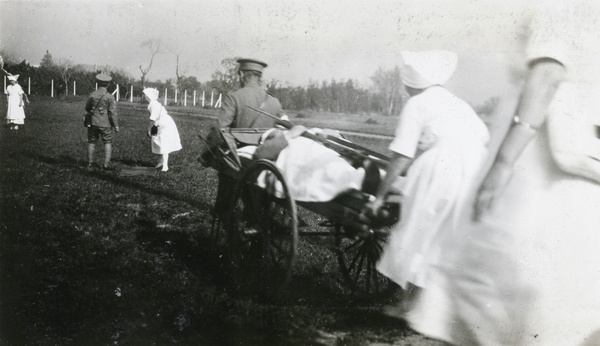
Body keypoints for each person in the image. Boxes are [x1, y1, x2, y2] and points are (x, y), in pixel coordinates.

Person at [402, 3, 600, 345]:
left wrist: (503, 164)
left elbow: (547, 77)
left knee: (510, 277)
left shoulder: (556, 10)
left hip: (535, 162)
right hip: (561, 153)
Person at [362, 50, 489, 318]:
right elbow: (482, 137)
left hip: (444, 166)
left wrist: (379, 196)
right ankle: (437, 308)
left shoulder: (416, 104)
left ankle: (407, 306)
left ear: (411, 83)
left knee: (420, 230)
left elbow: (402, 155)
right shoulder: (459, 104)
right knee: (447, 235)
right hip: (476, 166)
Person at [210, 58, 287, 219]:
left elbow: (220, 129)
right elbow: (285, 125)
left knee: (226, 170)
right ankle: (256, 213)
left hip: (239, 158)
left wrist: (208, 151)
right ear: (260, 77)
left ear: (240, 74)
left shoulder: (234, 97)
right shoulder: (273, 101)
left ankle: (224, 209)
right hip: (266, 157)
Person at [84, 73, 118, 170]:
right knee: (107, 142)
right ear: (108, 84)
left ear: (97, 83)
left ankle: (90, 163)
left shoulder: (92, 94)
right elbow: (113, 112)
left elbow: (87, 108)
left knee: (91, 142)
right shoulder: (109, 97)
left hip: (93, 122)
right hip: (105, 124)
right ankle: (106, 165)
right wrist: (116, 125)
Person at [143, 88, 182, 172]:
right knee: (159, 142)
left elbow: (152, 119)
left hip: (165, 124)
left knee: (164, 143)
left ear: (149, 96)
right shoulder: (151, 104)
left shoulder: (154, 104)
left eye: (145, 95)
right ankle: (161, 162)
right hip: (160, 124)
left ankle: (165, 165)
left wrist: (148, 130)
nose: (144, 96)